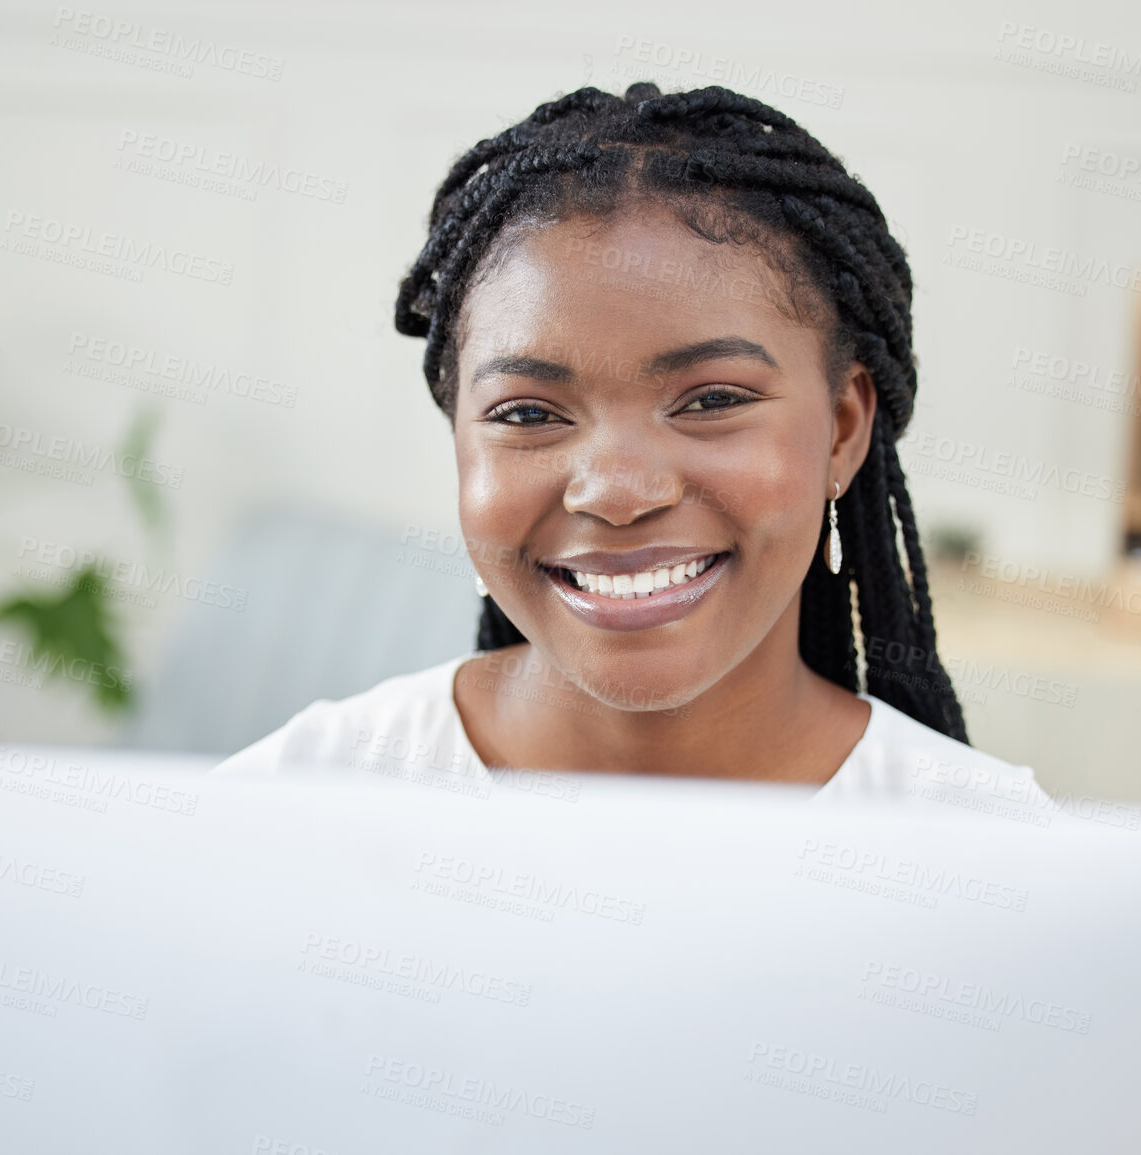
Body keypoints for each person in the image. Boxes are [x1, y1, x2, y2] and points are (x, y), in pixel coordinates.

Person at [215, 81, 1050, 811]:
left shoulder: (997, 864)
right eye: (528, 413)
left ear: (842, 429)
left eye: (712, 400)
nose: (615, 490)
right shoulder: (291, 805)